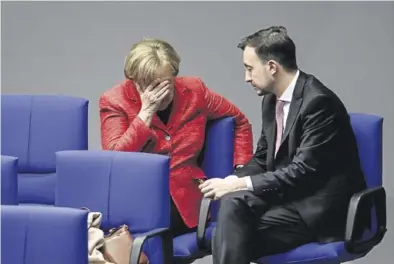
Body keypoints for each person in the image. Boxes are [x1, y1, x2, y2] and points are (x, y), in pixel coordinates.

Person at [199, 26, 368, 264]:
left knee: (228, 238)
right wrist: (231, 181)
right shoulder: (271, 99)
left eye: (249, 68)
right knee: (232, 206)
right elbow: (262, 157)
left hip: (315, 208)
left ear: (271, 67)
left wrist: (240, 184)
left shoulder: (319, 103)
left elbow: (302, 172)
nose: (246, 77)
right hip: (285, 196)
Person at [99, 38, 254, 237]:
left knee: (151, 235)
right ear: (134, 80)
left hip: (184, 198)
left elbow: (239, 121)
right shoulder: (115, 100)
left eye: (164, 85)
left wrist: (242, 168)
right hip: (137, 196)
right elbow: (114, 159)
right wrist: (145, 113)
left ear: (174, 75)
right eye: (148, 87)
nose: (158, 95)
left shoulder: (195, 91)